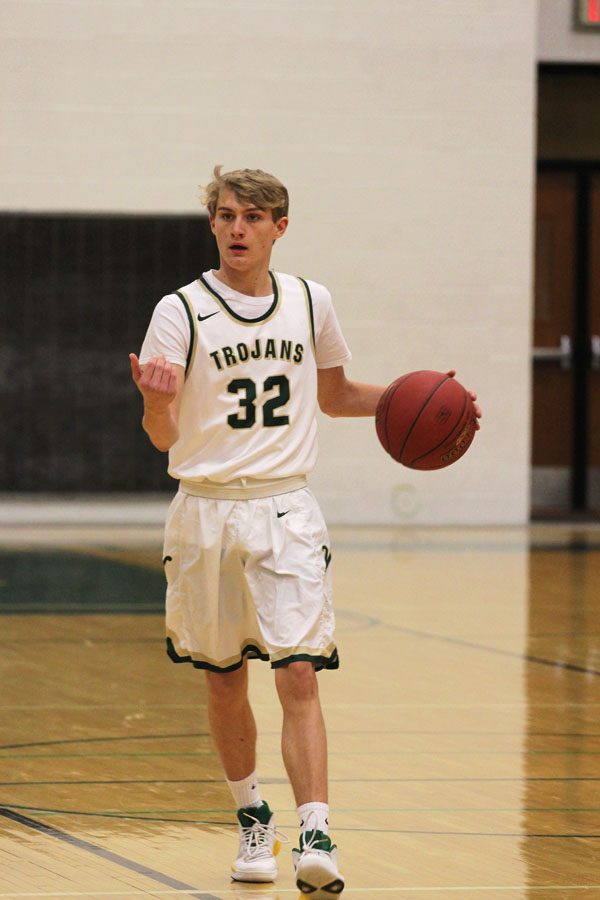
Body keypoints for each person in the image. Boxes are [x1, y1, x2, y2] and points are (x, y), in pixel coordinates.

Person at [130, 165, 480, 897]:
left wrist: (433, 403)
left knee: (296, 672)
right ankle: (254, 822)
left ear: (279, 228)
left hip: (286, 509)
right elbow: (161, 437)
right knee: (225, 682)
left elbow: (338, 395)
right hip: (204, 509)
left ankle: (315, 832)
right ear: (214, 223)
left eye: (253, 218)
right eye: (226, 215)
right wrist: (155, 403)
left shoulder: (309, 301)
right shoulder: (181, 310)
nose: (236, 229)